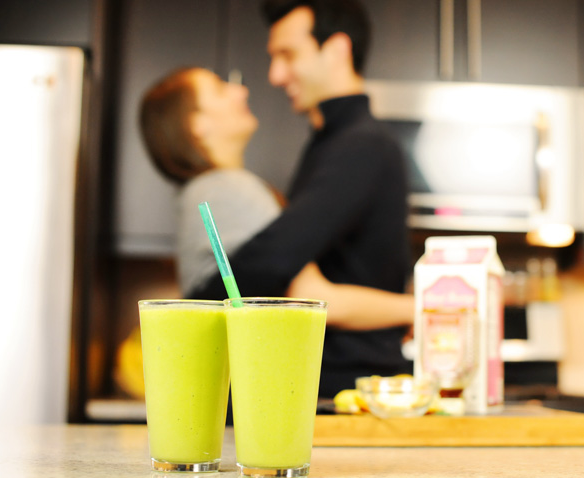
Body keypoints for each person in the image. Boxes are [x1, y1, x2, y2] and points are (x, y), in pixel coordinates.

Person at [188, 0, 413, 396]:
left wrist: (193, 309)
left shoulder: (363, 144)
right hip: (330, 383)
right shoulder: (330, 141)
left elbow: (278, 256)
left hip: (349, 389)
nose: (274, 75)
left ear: (337, 50)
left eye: (288, 55)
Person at [139, 66, 413, 333]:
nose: (241, 91)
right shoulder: (228, 190)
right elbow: (312, 298)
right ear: (196, 124)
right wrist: (419, 307)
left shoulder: (201, 192)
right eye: (221, 90)